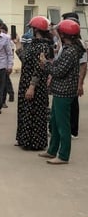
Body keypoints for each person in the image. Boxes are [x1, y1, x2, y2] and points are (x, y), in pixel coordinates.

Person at [38, 19, 85, 164]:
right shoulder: (68, 48)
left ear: (63, 34)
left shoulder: (70, 51)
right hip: (60, 90)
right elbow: (58, 65)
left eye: (58, 31)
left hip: (64, 91)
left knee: (62, 124)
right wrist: (49, 63)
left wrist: (44, 64)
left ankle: (63, 155)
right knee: (55, 121)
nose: (55, 33)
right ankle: (52, 150)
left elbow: (59, 71)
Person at [14, 16, 52, 150]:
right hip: (25, 82)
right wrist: (17, 44)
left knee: (35, 112)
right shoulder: (33, 44)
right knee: (25, 111)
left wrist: (31, 87)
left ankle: (35, 143)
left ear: (36, 29)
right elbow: (25, 60)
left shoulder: (43, 46)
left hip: (35, 85)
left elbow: (39, 68)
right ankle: (24, 140)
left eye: (31, 28)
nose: (30, 30)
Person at [61, 12, 87, 139]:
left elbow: (83, 64)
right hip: (62, 80)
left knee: (72, 104)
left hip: (71, 80)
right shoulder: (64, 42)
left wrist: (80, 83)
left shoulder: (79, 44)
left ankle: (73, 130)